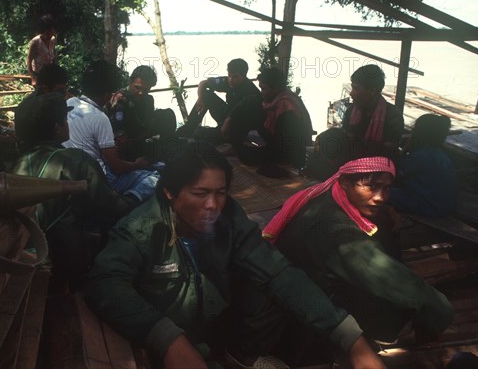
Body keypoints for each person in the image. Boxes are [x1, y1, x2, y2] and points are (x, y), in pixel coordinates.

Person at [86, 142, 386, 369]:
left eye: (221, 192)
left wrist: (350, 338)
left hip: (219, 330)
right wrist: (167, 339)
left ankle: (242, 355)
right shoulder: (139, 229)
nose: (212, 205)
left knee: (281, 276)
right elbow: (105, 283)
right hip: (172, 344)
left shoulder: (230, 219)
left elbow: (278, 272)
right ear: (169, 192)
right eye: (200, 193)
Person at [264, 157, 454, 345]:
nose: (380, 197)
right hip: (293, 313)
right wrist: (438, 309)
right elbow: (393, 280)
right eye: (371, 186)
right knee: (395, 305)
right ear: (345, 182)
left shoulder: (325, 190)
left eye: (386, 188)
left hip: (294, 282)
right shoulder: (339, 232)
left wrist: (387, 210)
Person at [12, 92, 138, 283]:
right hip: (62, 262)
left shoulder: (15, 163)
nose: (68, 123)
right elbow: (110, 206)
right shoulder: (76, 160)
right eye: (65, 120)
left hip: (22, 253)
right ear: (57, 128)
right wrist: (136, 197)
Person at [64, 60, 159, 203]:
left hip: (71, 171)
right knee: (155, 177)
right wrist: (136, 165)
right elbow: (116, 167)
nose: (141, 93)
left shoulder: (69, 104)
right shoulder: (102, 117)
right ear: (108, 95)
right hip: (97, 179)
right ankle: (127, 202)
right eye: (137, 87)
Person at [237, 67, 313, 168]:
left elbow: (279, 143)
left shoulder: (285, 106)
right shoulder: (279, 99)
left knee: (244, 153)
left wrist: (258, 126)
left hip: (289, 154)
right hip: (280, 146)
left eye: (264, 89)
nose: (261, 92)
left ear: (276, 88)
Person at [177, 58, 262, 146]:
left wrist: (226, 124)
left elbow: (242, 116)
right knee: (206, 94)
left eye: (234, 77)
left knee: (200, 134)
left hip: (237, 125)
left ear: (243, 75)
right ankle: (189, 127)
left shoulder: (251, 93)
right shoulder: (229, 82)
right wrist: (201, 98)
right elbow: (203, 83)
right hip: (226, 117)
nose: (230, 80)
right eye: (229, 75)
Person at [390, 114, 457, 217]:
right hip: (442, 205)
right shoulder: (437, 153)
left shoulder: (422, 156)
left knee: (379, 192)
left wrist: (404, 151)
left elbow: (394, 175)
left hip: (430, 206)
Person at [107, 65, 177, 161]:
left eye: (146, 90)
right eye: (137, 88)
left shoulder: (148, 100)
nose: (141, 93)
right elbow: (117, 133)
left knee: (167, 115)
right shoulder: (120, 99)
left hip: (140, 138)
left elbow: (147, 125)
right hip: (123, 145)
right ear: (130, 82)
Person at [341, 65, 403, 160]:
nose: (351, 93)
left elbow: (388, 155)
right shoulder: (350, 111)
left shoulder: (393, 117)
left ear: (372, 90)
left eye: (356, 88)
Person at [27, 14, 57, 87]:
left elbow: (53, 55)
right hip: (39, 74)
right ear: (42, 32)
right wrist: (33, 77)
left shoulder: (53, 40)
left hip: (50, 73)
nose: (49, 35)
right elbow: (29, 60)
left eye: (51, 32)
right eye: (47, 33)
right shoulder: (36, 42)